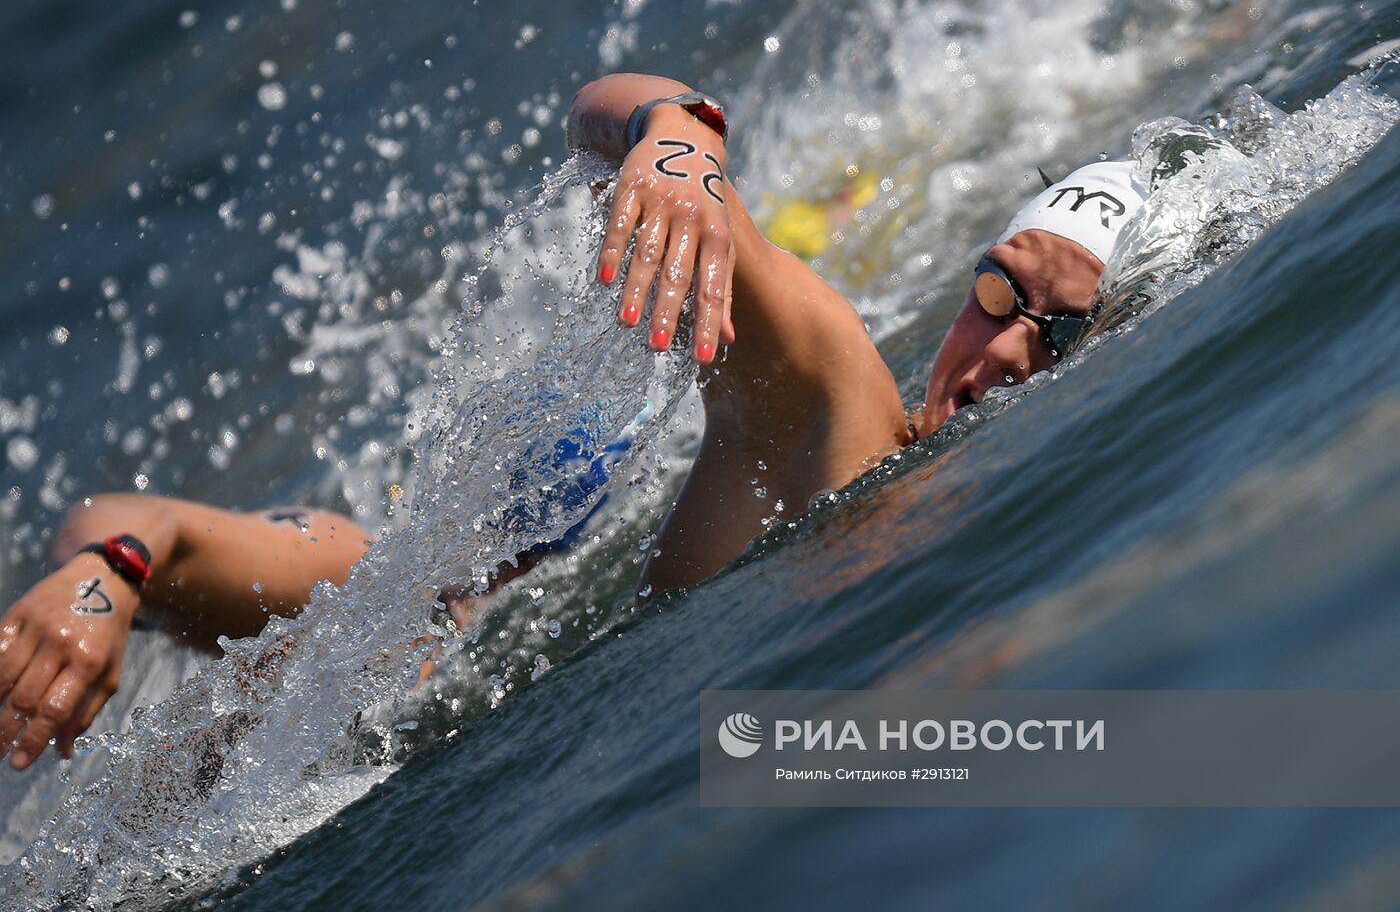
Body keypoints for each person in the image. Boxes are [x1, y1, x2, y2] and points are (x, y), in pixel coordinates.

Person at [0, 73, 1146, 771]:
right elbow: (138, 526)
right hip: (456, 610)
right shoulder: (402, 610)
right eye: (998, 289)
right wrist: (683, 138)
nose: (1000, 348)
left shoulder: (847, 448)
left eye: (1055, 331)